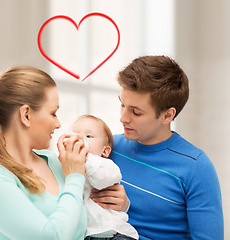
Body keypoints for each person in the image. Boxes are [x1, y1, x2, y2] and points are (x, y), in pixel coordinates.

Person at [91, 56, 224, 239]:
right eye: (122, 104)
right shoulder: (106, 149)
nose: (123, 117)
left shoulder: (196, 167)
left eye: (136, 112)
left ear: (167, 115)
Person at [0, 66, 89, 240]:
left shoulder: (57, 162)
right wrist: (75, 178)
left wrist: (119, 202)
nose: (58, 124)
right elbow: (50, 237)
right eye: (53, 113)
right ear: (26, 115)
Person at [69, 115, 138, 240]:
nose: (79, 140)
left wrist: (84, 157)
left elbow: (102, 181)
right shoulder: (66, 166)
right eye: (74, 135)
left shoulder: (105, 165)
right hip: (87, 234)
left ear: (105, 151)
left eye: (88, 136)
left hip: (114, 232)